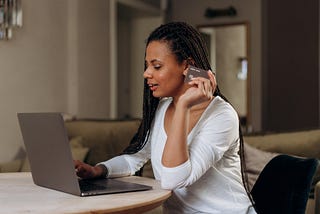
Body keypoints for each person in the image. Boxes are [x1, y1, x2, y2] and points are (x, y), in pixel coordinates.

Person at [74, 21, 256, 213]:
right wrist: (98, 170)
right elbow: (135, 158)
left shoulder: (222, 116)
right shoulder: (163, 107)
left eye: (157, 66)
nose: (146, 74)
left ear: (188, 66)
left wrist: (183, 106)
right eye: (147, 66)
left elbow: (173, 179)